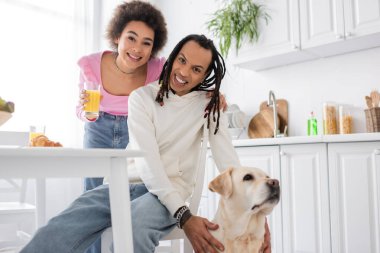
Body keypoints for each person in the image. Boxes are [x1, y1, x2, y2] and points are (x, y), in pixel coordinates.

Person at [21, 34, 269, 253]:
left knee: (133, 230)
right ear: (173, 57)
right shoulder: (141, 98)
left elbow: (230, 166)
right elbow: (146, 161)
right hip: (119, 186)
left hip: (166, 195)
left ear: (205, 75)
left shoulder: (208, 105)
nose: (183, 72)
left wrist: (257, 214)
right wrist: (185, 217)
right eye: (182, 60)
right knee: (56, 230)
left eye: (196, 69)